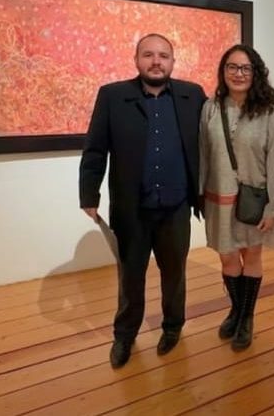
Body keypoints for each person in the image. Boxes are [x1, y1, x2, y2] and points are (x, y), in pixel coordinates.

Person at [79, 33, 207, 368]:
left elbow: (211, 143)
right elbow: (95, 149)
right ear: (136, 60)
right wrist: (89, 194)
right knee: (131, 276)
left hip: (176, 206)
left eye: (163, 55)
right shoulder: (112, 96)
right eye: (148, 55)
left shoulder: (192, 95)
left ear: (173, 61)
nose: (156, 61)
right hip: (132, 209)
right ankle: (124, 335)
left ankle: (173, 326)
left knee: (174, 274)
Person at [199, 44, 274, 351]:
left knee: (251, 256)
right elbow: (203, 153)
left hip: (254, 200)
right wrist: (199, 194)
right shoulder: (211, 108)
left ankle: (246, 317)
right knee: (227, 257)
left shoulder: (268, 112)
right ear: (223, 72)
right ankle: (236, 310)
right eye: (232, 67)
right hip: (217, 198)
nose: (239, 73)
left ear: (255, 73)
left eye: (245, 68)